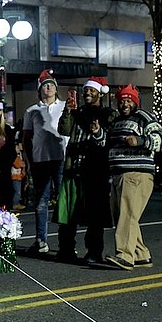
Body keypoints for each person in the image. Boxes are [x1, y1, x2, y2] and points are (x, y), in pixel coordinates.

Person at [103, 84, 162, 270]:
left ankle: (125, 255)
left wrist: (139, 141)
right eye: (122, 100)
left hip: (136, 173)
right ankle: (141, 254)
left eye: (128, 100)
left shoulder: (143, 117)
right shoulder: (116, 122)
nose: (125, 104)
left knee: (127, 215)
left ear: (135, 102)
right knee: (123, 216)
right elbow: (108, 144)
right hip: (117, 174)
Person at [53, 76, 116, 264]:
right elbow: (63, 130)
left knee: (94, 215)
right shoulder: (76, 112)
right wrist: (68, 111)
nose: (87, 93)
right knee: (67, 213)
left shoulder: (108, 114)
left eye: (91, 90)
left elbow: (109, 140)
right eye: (86, 90)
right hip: (73, 169)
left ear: (99, 93)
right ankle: (66, 249)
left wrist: (98, 132)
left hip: (95, 172)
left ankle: (94, 252)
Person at [22, 69, 68, 254]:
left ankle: (66, 242)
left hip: (61, 159)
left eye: (51, 85)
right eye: (45, 85)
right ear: (39, 89)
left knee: (63, 200)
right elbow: (26, 138)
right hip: (40, 160)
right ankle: (41, 240)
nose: (48, 88)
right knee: (41, 201)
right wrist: (28, 160)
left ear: (56, 89)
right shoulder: (32, 111)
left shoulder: (65, 106)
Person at [10, 142, 27, 211]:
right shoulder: (15, 156)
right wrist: (23, 164)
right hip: (15, 176)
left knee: (19, 190)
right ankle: (15, 204)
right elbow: (17, 164)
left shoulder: (20, 155)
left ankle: (17, 203)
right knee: (17, 191)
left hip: (19, 176)